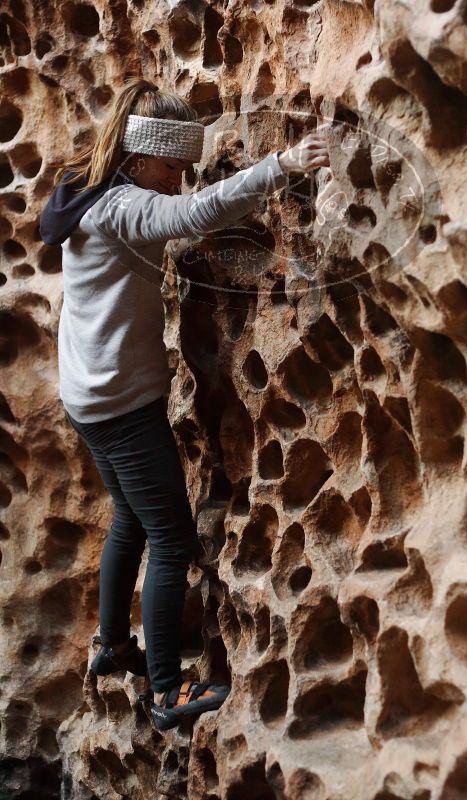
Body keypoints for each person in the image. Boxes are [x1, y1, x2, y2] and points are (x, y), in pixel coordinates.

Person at [39, 76, 330, 732]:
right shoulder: (122, 207)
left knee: (131, 521)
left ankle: (112, 648)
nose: (177, 181)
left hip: (89, 395)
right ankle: (166, 693)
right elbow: (192, 217)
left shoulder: (86, 188)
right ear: (142, 158)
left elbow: (178, 211)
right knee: (172, 541)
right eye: (173, 168)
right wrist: (278, 167)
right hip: (121, 406)